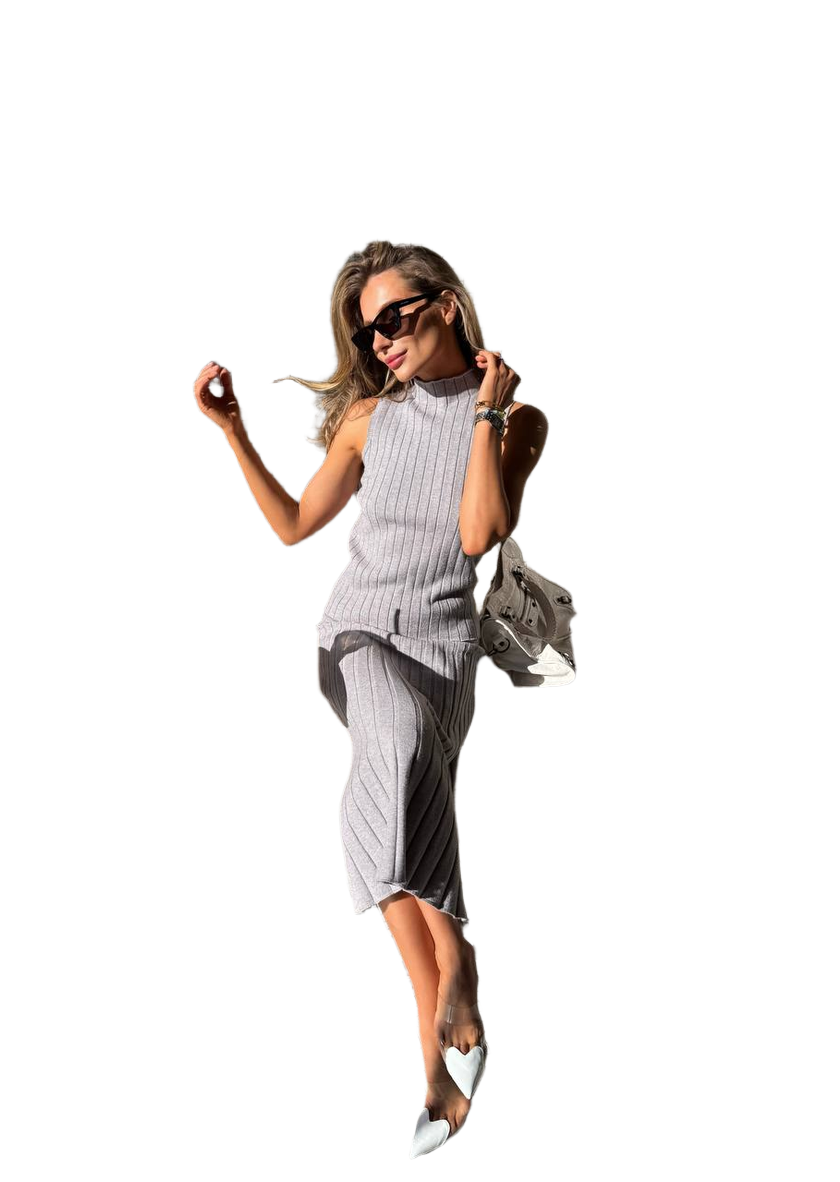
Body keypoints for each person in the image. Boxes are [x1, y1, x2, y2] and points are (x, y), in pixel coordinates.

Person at [191, 240, 549, 1159]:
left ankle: (442, 1053)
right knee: (392, 741)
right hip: (352, 639)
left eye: (394, 317)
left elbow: (478, 534)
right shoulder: (364, 419)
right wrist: (232, 429)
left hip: (441, 649)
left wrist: (484, 414)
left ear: (446, 305)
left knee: (390, 785)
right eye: (367, 328)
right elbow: (292, 527)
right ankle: (456, 975)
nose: (379, 339)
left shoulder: (516, 420)